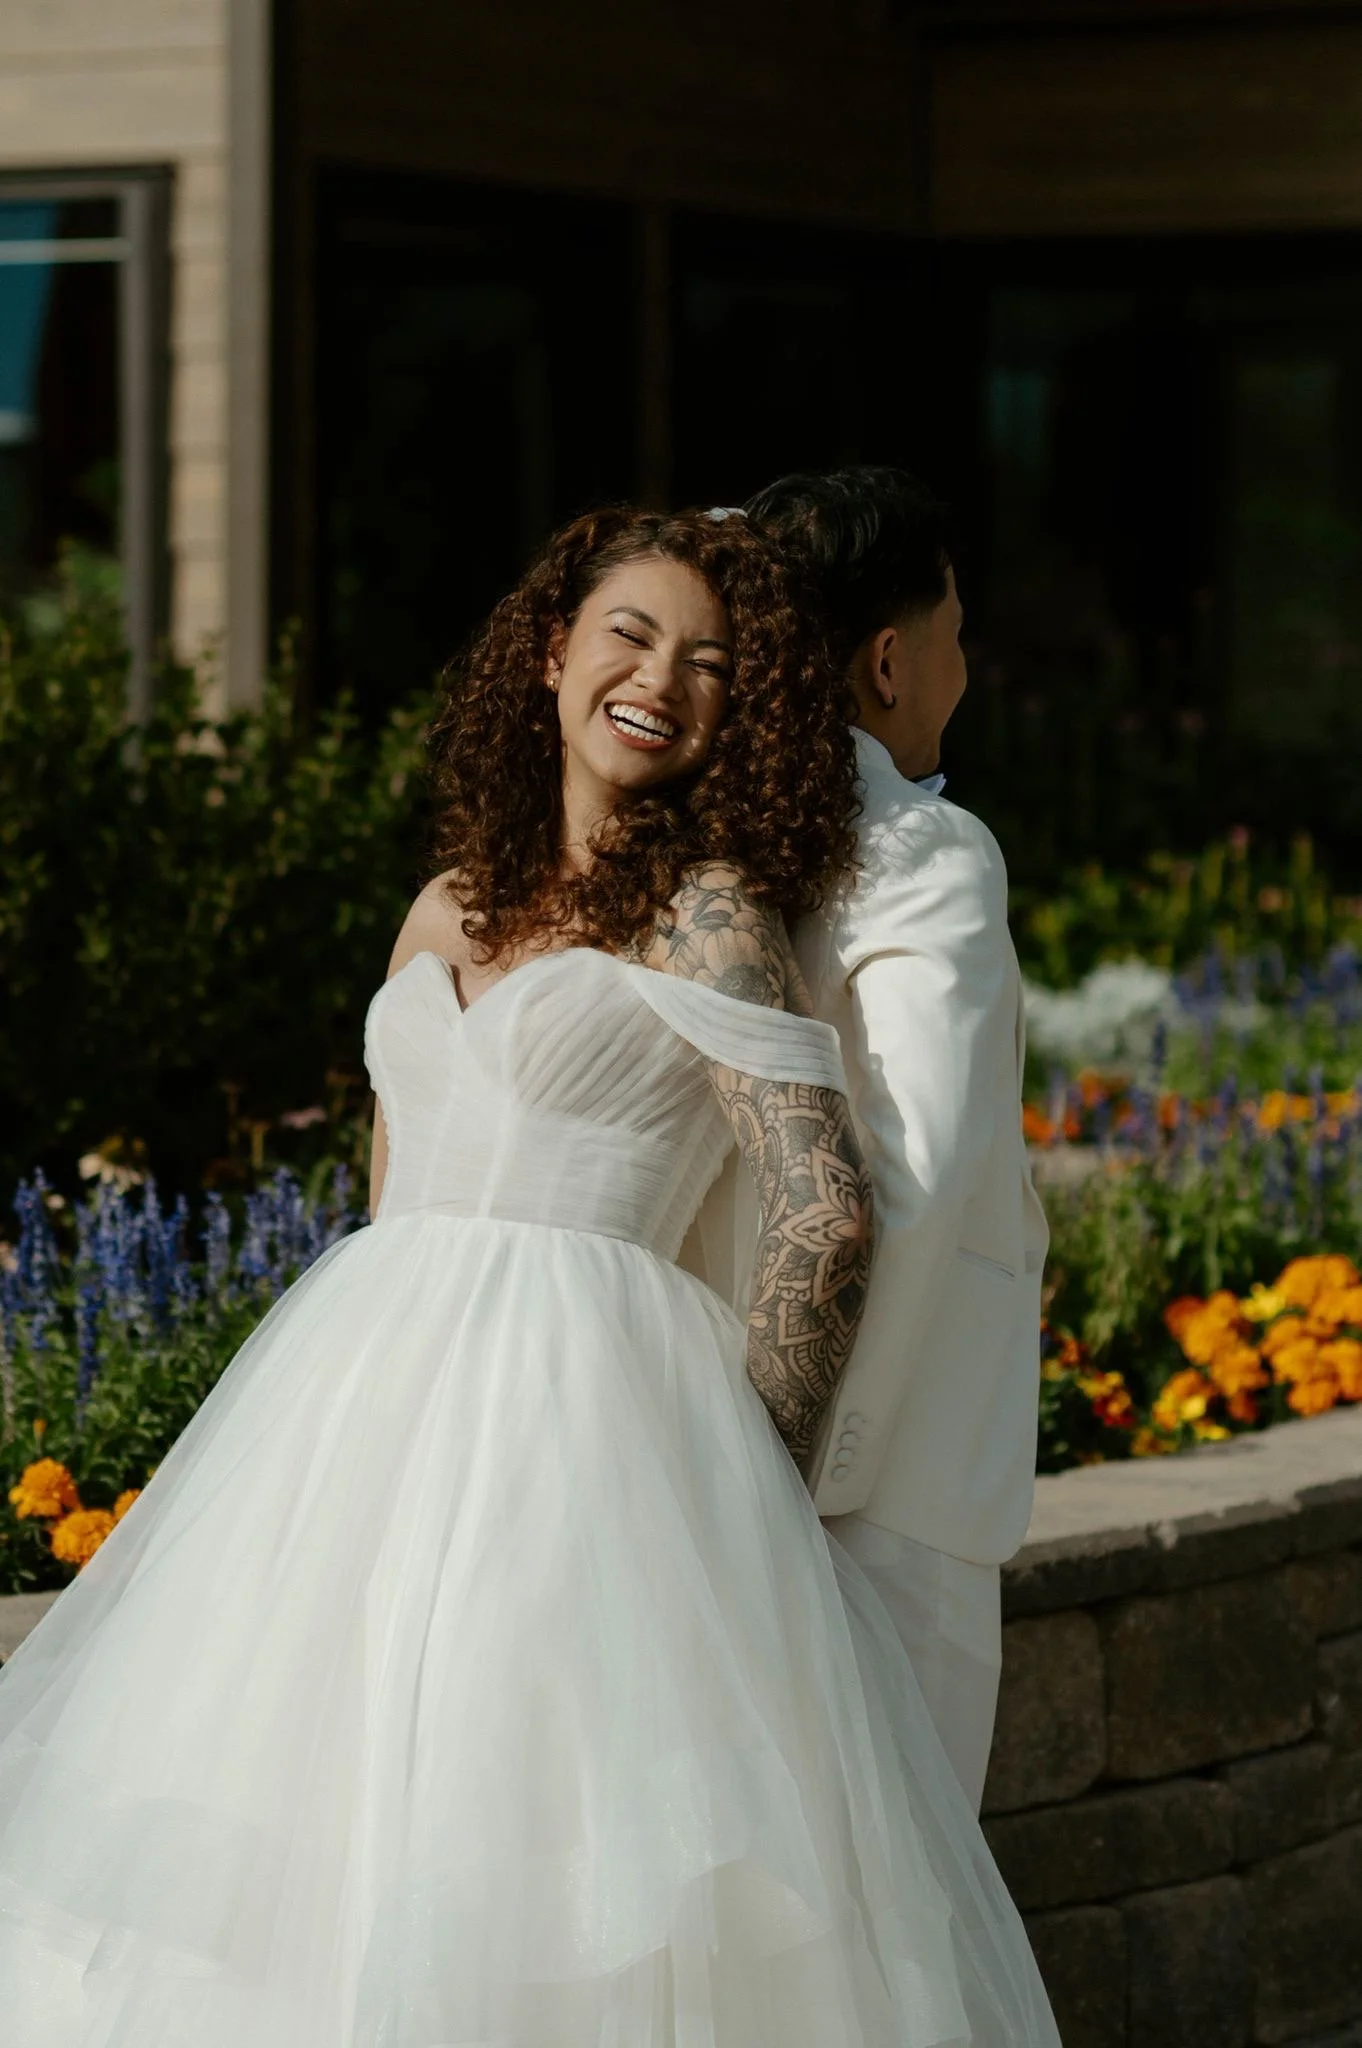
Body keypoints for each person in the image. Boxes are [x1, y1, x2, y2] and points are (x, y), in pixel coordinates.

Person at [0, 505, 1057, 2046]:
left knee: (546, 1868)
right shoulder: (445, 902)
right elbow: (391, 1163)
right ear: (551, 651)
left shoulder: (707, 913)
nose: (660, 679)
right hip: (357, 1404)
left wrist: (739, 1488)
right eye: (628, 635)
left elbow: (827, 1205)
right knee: (314, 1826)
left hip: (594, 1420)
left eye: (708, 662)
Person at [744, 466, 1051, 1814]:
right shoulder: (923, 850)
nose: (964, 669)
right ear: (884, 659)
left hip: (717, 1426)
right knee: (903, 1917)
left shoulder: (707, 835)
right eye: (955, 633)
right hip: (887, 1478)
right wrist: (822, 1469)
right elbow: (912, 1177)